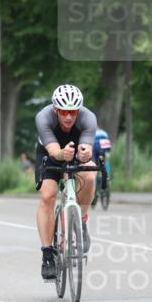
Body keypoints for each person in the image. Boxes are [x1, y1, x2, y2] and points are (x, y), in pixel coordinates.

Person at [34, 84, 97, 281]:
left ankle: (82, 220)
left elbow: (86, 150)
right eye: (64, 112)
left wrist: (85, 154)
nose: (69, 117)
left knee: (90, 175)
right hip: (50, 153)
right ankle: (47, 255)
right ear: (56, 110)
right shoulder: (43, 117)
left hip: (75, 151)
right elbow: (55, 152)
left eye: (73, 112)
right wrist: (63, 154)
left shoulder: (88, 118)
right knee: (48, 196)